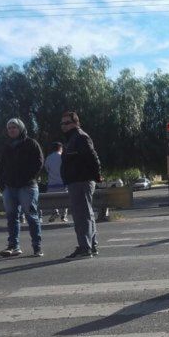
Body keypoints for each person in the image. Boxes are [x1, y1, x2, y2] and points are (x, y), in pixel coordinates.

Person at [0, 118, 44, 257]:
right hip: (9, 187)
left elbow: (39, 162)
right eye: (9, 128)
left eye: (14, 127)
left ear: (21, 128)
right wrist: (1, 184)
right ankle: (13, 246)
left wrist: (27, 177)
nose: (11, 130)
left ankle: (37, 247)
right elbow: (1, 167)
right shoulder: (7, 147)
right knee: (11, 217)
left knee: (31, 216)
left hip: (27, 187)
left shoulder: (31, 143)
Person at [60, 111, 103, 259]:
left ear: (75, 123)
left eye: (66, 123)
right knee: (86, 214)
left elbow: (92, 157)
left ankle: (85, 248)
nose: (63, 126)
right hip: (76, 181)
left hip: (81, 180)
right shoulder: (72, 138)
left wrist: (97, 175)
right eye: (62, 123)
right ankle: (91, 245)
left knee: (81, 216)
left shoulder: (80, 137)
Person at [44, 142, 67, 222]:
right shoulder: (63, 157)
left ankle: (55, 212)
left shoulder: (48, 158)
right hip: (63, 182)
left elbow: (47, 169)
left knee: (52, 199)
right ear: (60, 148)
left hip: (52, 183)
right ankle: (63, 215)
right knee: (65, 199)